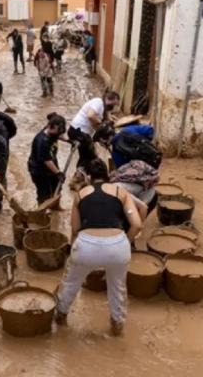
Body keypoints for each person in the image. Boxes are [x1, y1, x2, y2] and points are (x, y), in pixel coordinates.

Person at [54, 159, 143, 336]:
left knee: (71, 282)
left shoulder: (80, 194)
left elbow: (75, 228)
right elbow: (137, 225)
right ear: (108, 175)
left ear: (89, 177)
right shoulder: (121, 191)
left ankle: (61, 317)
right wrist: (125, 241)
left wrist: (73, 251)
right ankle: (117, 326)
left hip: (86, 246)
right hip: (118, 247)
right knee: (117, 287)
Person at [68, 92, 121, 172]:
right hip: (78, 131)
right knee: (89, 157)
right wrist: (102, 124)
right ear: (109, 100)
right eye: (113, 104)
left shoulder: (103, 107)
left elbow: (105, 121)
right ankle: (80, 176)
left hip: (82, 132)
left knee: (87, 155)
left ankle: (82, 174)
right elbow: (90, 115)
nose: (113, 107)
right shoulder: (98, 102)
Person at [28, 113, 67, 205]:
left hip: (51, 164)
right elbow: (47, 161)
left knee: (57, 186)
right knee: (44, 192)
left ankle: (55, 207)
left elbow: (59, 135)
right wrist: (58, 173)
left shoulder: (52, 131)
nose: (59, 134)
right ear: (50, 127)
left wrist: (69, 141)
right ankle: (42, 212)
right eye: (57, 131)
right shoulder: (42, 141)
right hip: (39, 170)